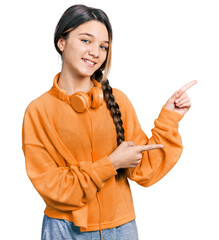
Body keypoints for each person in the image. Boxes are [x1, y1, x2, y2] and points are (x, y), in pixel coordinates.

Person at [21, 4, 197, 240]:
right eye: (86, 40)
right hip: (65, 229)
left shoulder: (118, 101)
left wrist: (169, 116)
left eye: (103, 46)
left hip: (121, 228)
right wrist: (111, 163)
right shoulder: (38, 111)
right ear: (61, 42)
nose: (96, 52)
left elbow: (145, 169)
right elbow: (54, 187)